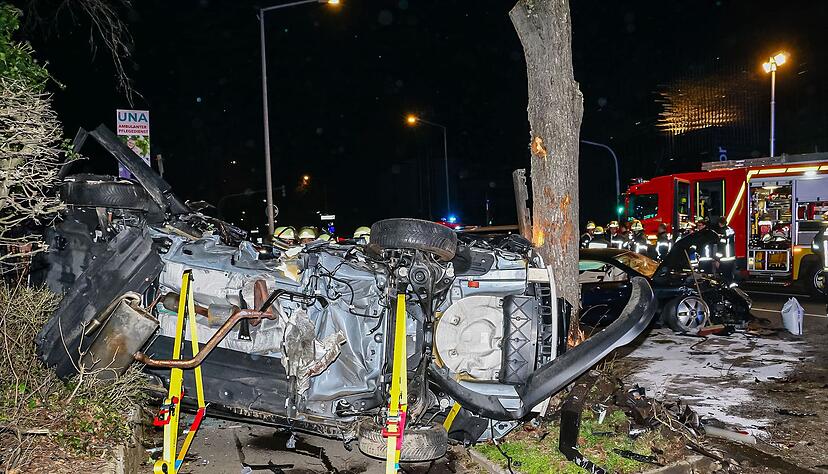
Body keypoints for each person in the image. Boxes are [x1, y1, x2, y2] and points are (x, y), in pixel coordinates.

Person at [716, 217, 736, 284]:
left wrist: (718, 259)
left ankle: (727, 289)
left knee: (725, 276)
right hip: (731, 256)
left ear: (719, 223)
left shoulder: (722, 232)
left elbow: (721, 246)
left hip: (725, 258)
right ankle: (732, 287)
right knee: (730, 274)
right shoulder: (730, 230)